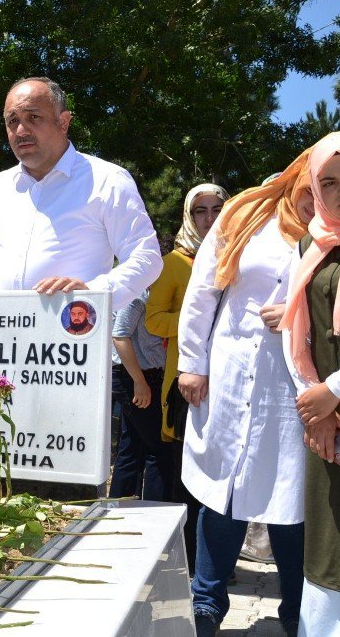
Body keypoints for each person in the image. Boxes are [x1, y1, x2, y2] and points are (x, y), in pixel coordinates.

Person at [177, 148, 315, 637]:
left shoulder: (331, 227)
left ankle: (297, 615)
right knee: (224, 490)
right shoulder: (244, 212)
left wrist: (299, 314)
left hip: (297, 386)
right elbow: (202, 290)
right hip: (231, 374)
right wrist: (191, 364)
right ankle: (206, 607)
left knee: (293, 497)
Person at [0, 77, 161, 312]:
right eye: (12, 120)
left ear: (63, 122)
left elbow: (147, 258)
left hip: (72, 341)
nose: (21, 130)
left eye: (33, 117)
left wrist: (92, 294)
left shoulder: (107, 180)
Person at [144, 183, 228, 571]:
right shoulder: (175, 263)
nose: (209, 218)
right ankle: (177, 564)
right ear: (188, 216)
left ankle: (210, 564)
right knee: (183, 478)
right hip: (186, 383)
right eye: (200, 211)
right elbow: (154, 320)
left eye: (217, 209)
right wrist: (202, 318)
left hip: (229, 384)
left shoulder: (237, 256)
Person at [279, 132, 340, 635]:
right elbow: (297, 329)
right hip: (326, 418)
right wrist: (317, 403)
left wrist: (334, 393)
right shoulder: (310, 242)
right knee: (328, 542)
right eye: (329, 182)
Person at [108, 290, 172, 502]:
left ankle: (121, 504)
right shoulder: (137, 295)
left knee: (132, 445)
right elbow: (119, 335)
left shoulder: (149, 293)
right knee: (159, 448)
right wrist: (139, 381)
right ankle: (155, 510)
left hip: (141, 375)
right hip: (134, 375)